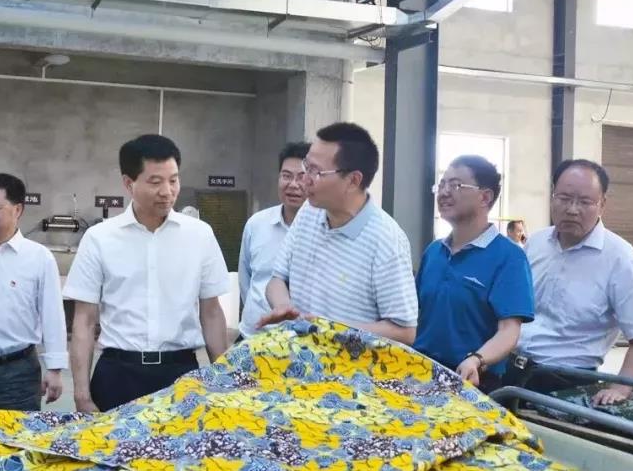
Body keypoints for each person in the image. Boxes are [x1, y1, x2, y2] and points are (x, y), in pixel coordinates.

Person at [64, 134, 230, 413]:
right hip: (118, 374)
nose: (167, 191)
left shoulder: (199, 235)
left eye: (173, 180)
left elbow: (211, 313)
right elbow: (84, 320)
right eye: (155, 182)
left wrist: (225, 381)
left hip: (180, 375)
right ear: (129, 183)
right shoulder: (99, 238)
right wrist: (81, 394)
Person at [507, 159, 633, 406]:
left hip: (565, 384)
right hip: (511, 370)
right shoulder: (536, 243)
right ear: (552, 196)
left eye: (585, 202)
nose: (572, 209)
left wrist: (620, 388)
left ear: (602, 204)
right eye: (564, 198)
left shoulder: (619, 258)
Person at [260, 123, 417, 344]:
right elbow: (277, 279)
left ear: (353, 180)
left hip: (348, 365)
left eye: (316, 171)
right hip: (299, 357)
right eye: (307, 166)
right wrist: (284, 307)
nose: (305, 179)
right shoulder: (308, 212)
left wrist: (330, 329)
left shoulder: (387, 240)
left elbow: (404, 332)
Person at [413, 156, 534, 393]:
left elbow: (509, 330)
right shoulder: (434, 251)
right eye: (442, 184)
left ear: (485, 197)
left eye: (455, 185)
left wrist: (477, 360)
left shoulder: (509, 257)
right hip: (419, 375)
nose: (444, 192)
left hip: (472, 381)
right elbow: (415, 314)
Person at [0, 173, 67, 410]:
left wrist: (54, 369)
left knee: (14, 434)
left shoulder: (39, 258)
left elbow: (52, 315)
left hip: (16, 374)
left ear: (18, 210)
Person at [237, 142, 309, 339]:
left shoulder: (324, 229)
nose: (293, 184)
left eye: (301, 177)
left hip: (301, 343)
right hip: (253, 337)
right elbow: (246, 280)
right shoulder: (257, 224)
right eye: (286, 176)